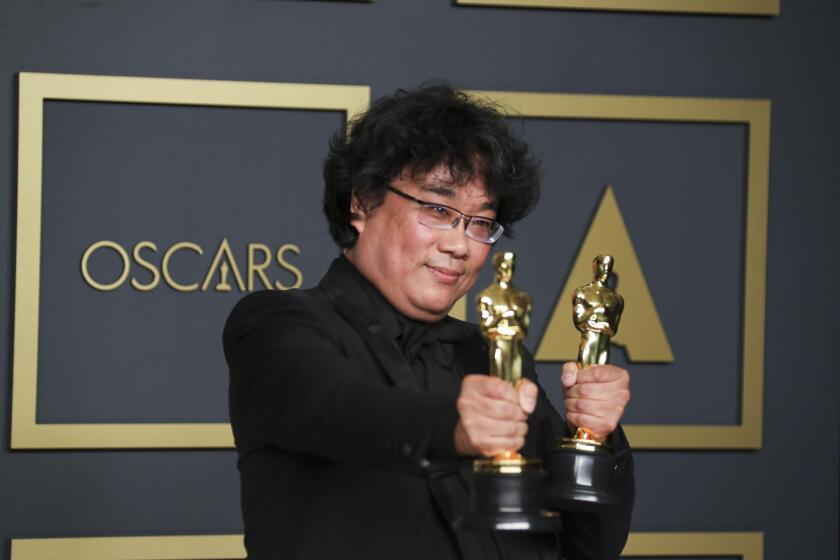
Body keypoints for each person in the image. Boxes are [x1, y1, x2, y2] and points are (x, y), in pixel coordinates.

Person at [223, 83, 634, 560]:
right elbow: (340, 407)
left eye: (480, 223)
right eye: (439, 210)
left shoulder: (495, 356)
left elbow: (588, 547)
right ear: (363, 201)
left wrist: (596, 439)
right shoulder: (277, 324)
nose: (461, 245)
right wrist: (454, 426)